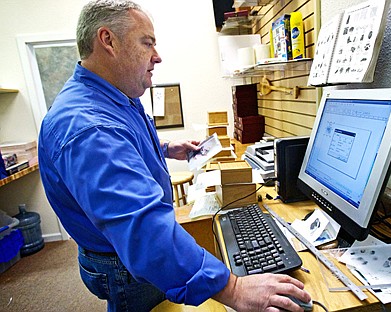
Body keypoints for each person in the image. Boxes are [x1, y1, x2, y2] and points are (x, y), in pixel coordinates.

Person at [38, 1, 312, 311]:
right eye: (147, 43)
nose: (157, 56)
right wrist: (232, 288)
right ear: (108, 40)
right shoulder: (88, 126)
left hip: (121, 251)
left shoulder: (110, 97)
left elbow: (126, 142)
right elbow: (143, 232)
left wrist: (167, 148)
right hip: (125, 264)